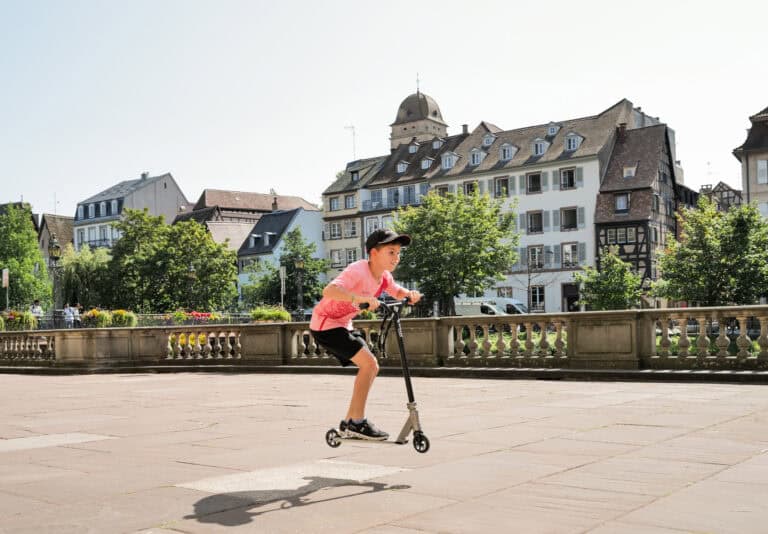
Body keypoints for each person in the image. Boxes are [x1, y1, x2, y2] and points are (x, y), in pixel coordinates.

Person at [310, 229, 421, 440]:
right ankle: (357, 422)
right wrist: (357, 298)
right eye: (391, 252)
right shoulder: (358, 270)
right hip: (326, 325)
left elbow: (396, 291)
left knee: (371, 366)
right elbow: (329, 291)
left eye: (398, 253)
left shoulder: (384, 277)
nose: (396, 257)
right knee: (369, 365)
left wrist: (409, 294)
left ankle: (350, 421)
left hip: (342, 325)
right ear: (373, 253)